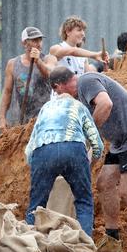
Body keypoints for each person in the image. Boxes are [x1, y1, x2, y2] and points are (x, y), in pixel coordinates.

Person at [51, 66, 127, 252]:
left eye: (57, 92)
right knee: (104, 183)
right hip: (121, 142)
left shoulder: (86, 81)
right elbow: (98, 128)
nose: (58, 96)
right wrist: (84, 159)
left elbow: (105, 105)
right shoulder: (81, 97)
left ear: (59, 86)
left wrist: (86, 133)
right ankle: (112, 239)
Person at [25, 69, 103, 236]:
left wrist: (37, 167)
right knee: (83, 201)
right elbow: (97, 144)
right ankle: (84, 246)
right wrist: (88, 163)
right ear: (58, 86)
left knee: (36, 205)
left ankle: (30, 245)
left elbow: (30, 148)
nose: (77, 85)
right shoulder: (79, 107)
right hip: (74, 149)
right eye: (73, 82)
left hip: (43, 150)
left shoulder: (45, 108)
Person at [0, 27, 56, 130]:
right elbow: (7, 92)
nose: (39, 44)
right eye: (34, 40)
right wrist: (2, 118)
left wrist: (38, 61)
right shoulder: (13, 64)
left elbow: (50, 73)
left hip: (44, 118)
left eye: (40, 40)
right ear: (25, 43)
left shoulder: (49, 59)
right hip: (20, 119)